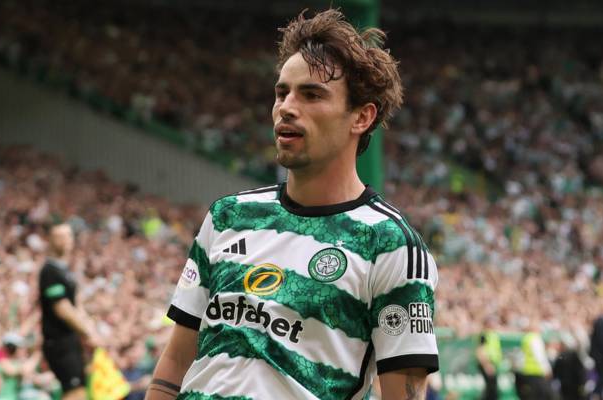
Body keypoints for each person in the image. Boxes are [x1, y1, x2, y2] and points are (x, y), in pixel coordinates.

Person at [147, 9, 439, 400]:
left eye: (311, 95)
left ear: (361, 117)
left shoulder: (390, 244)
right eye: (281, 92)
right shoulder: (228, 217)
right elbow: (175, 362)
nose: (286, 106)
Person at [38, 223, 100, 400]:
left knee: (79, 390)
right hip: (59, 341)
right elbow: (62, 308)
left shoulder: (65, 270)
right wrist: (88, 333)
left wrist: (90, 328)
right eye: (60, 236)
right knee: (75, 393)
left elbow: (76, 305)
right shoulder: (49, 271)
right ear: (50, 240)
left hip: (71, 340)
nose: (66, 240)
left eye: (68, 235)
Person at [513, 321, 552, 400]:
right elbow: (539, 355)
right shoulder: (535, 338)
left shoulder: (525, 338)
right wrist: (547, 369)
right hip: (536, 372)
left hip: (526, 371)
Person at [475, 318, 501, 400]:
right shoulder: (484, 335)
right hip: (487, 363)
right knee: (491, 389)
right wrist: (486, 365)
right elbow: (480, 350)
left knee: (492, 388)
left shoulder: (492, 335)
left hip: (492, 364)